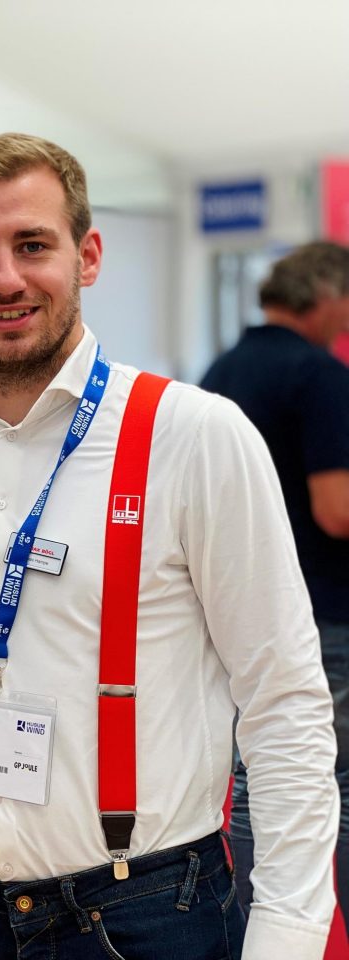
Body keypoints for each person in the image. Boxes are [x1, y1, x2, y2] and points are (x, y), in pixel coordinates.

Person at [0, 133, 338, 959]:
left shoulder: (194, 435)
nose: (6, 278)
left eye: (33, 245)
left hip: (145, 914)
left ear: (87, 256)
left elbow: (285, 700)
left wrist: (289, 929)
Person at [200, 241, 349, 919]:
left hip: (231, 609)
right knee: (334, 781)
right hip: (322, 605)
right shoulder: (320, 375)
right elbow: (337, 510)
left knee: (253, 780)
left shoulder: (220, 370)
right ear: (326, 296)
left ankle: (253, 925)